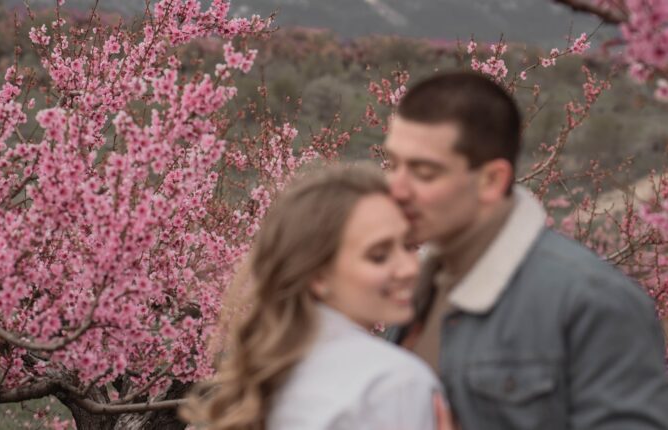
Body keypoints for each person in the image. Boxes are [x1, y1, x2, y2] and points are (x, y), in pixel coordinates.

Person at [384, 70, 668, 429]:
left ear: (492, 180)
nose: (396, 189)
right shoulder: (415, 287)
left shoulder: (592, 302)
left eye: (423, 172)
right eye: (393, 165)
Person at [181, 163, 445, 430]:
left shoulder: (271, 370)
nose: (410, 268)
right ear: (319, 276)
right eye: (378, 256)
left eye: (410, 246)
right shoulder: (395, 384)